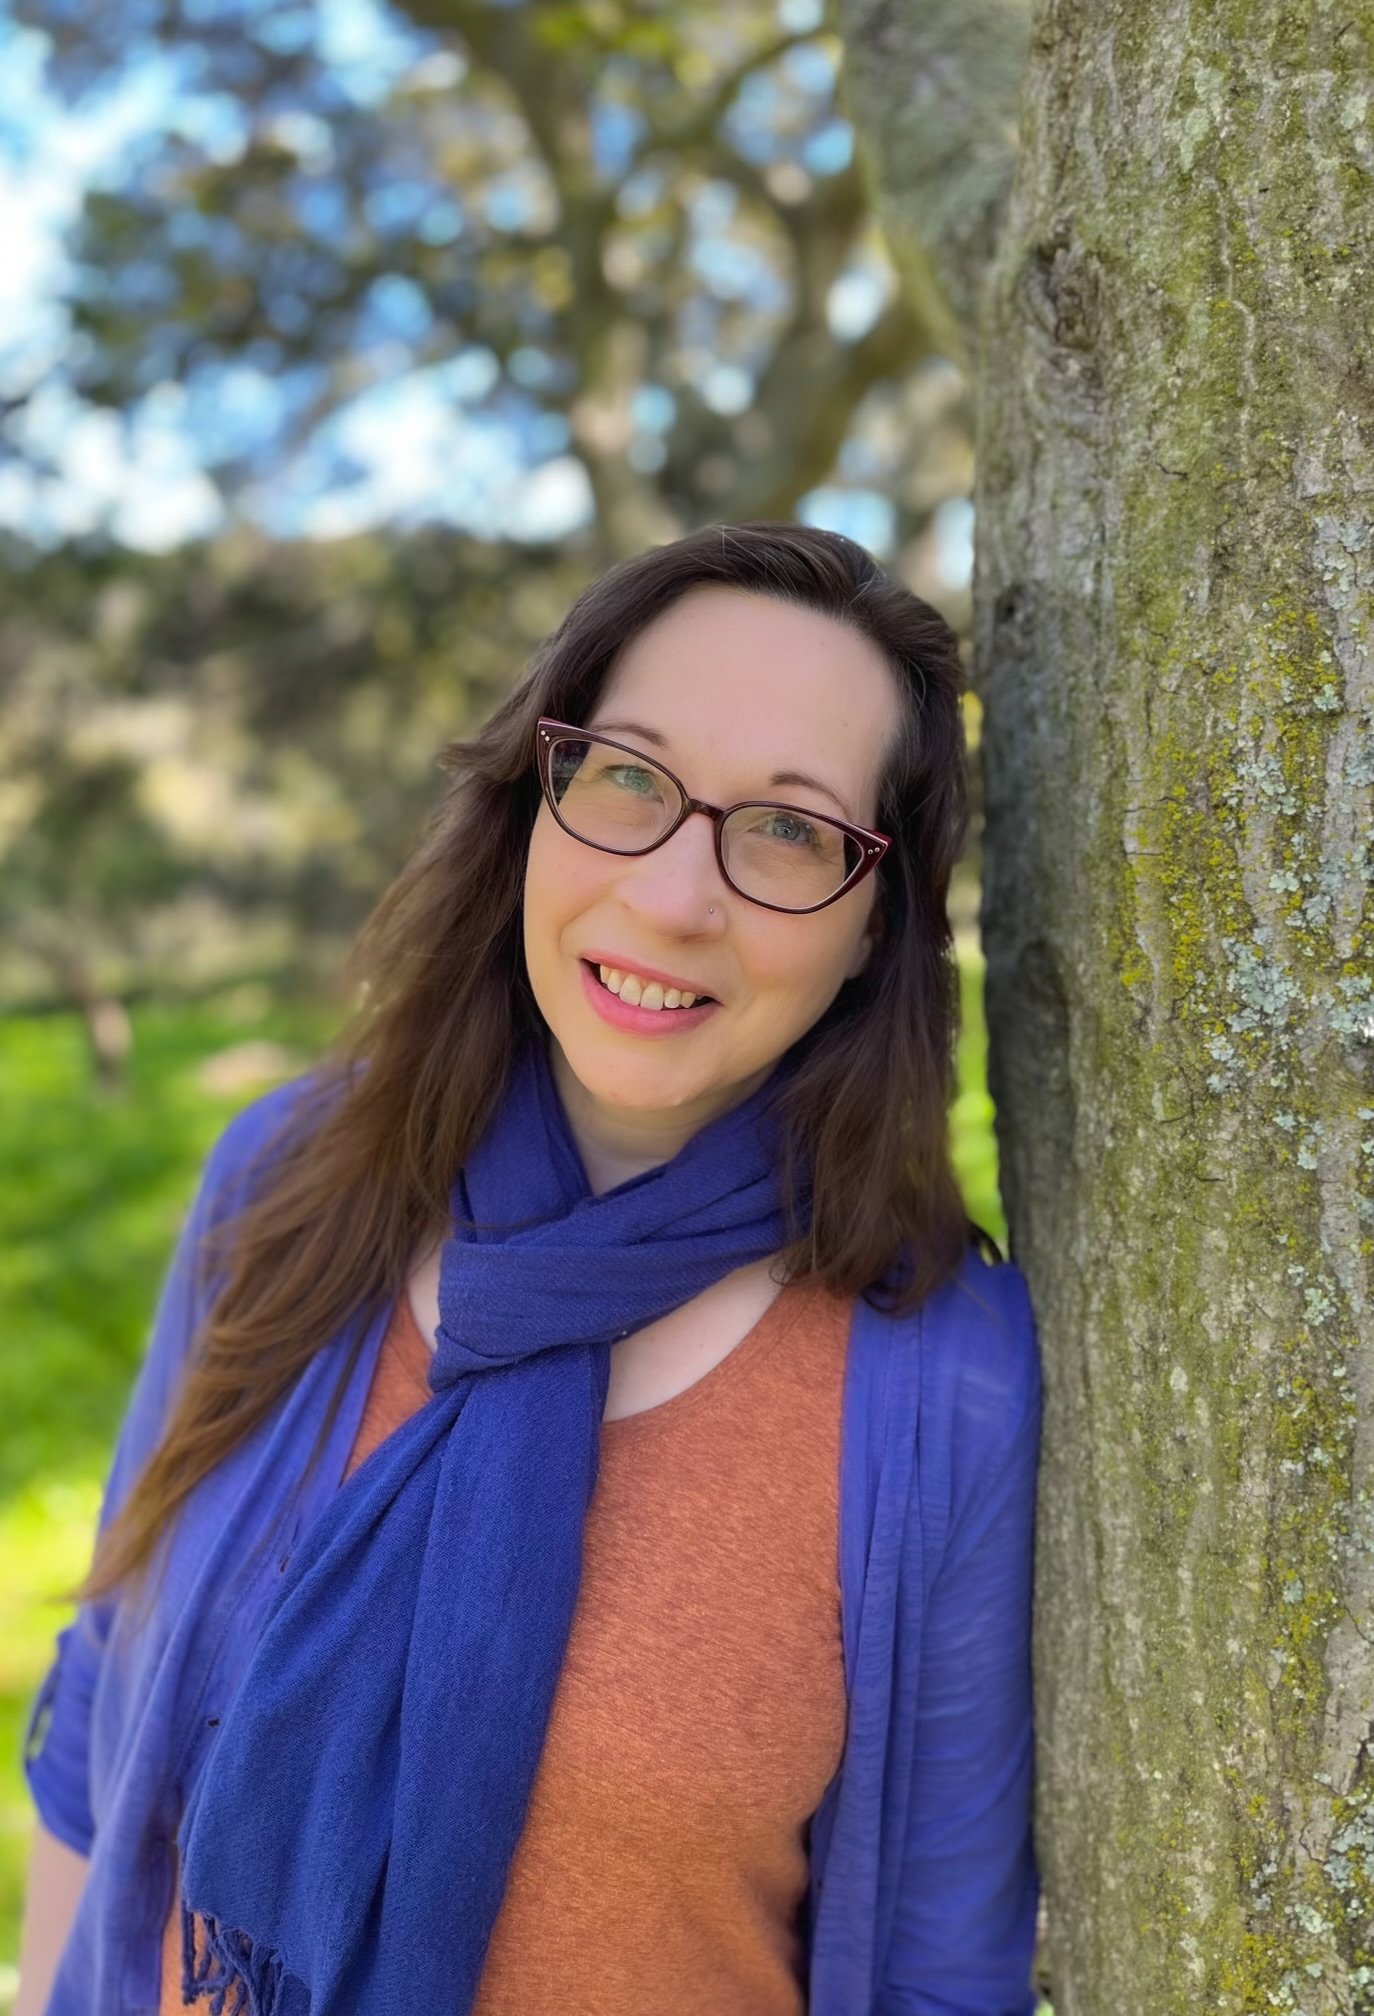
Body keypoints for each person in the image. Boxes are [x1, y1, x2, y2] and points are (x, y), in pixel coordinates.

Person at [18, 519, 1042, 2016]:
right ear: (535, 800)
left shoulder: (942, 1378)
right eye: (628, 776)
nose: (676, 897)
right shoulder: (287, 1184)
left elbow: (942, 1971)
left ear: (871, 920)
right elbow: (99, 1717)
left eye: (787, 830)